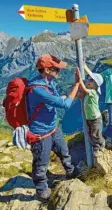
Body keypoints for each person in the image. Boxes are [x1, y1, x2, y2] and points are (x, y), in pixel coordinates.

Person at [26, 54, 80, 201]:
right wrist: (76, 84)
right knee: (41, 163)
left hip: (53, 127)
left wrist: (60, 98)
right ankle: (41, 190)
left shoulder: (48, 83)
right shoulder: (38, 89)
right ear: (47, 70)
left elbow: (57, 98)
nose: (59, 71)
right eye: (56, 69)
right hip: (40, 134)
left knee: (64, 150)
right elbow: (65, 105)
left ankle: (70, 171)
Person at [76, 68, 105, 155]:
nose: (88, 80)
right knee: (90, 134)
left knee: (95, 134)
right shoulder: (88, 92)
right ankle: (96, 145)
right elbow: (81, 95)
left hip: (96, 118)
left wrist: (80, 80)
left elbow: (84, 90)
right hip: (89, 118)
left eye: (91, 80)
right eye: (88, 78)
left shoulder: (93, 92)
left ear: (96, 84)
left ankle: (102, 143)